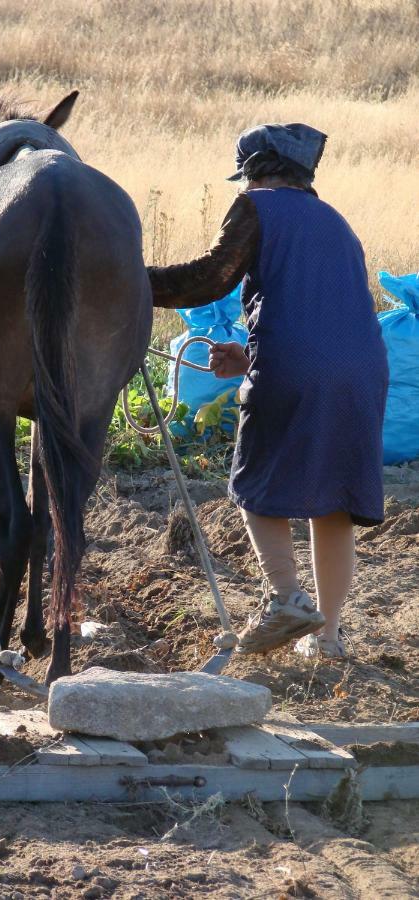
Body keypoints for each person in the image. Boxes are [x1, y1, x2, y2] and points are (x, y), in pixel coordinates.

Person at [148, 123, 388, 658]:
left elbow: (210, 278)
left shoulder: (257, 207)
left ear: (255, 172)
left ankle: (286, 598)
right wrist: (252, 358)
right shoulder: (336, 222)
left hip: (296, 371)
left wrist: (127, 280)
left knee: (254, 485)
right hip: (363, 373)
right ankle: (327, 639)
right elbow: (327, 321)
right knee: (335, 505)